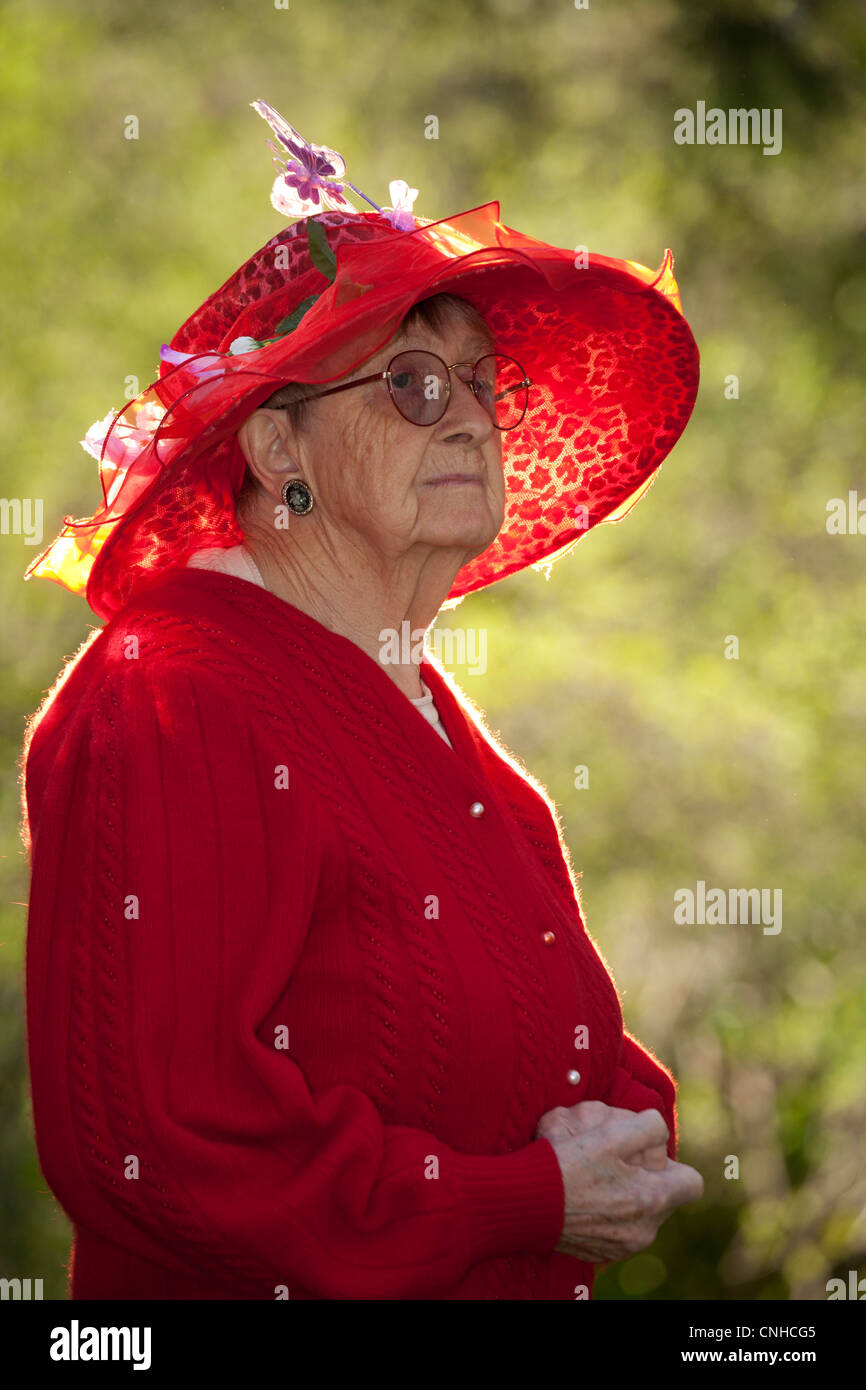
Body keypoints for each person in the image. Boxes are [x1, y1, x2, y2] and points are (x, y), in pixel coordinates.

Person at [19, 102, 703, 1300]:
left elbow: (568, 1053)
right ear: (279, 451)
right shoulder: (171, 692)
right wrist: (533, 1198)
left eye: (483, 387)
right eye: (410, 383)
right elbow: (162, 1148)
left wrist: (627, 1137)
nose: (473, 420)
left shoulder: (449, 731)